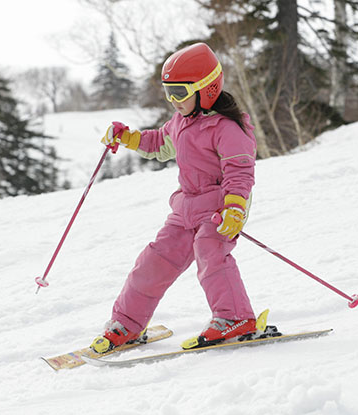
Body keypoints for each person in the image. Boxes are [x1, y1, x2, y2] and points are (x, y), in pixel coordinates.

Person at [90, 42, 258, 353]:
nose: (173, 101)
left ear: (206, 89)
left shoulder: (228, 128)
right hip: (185, 209)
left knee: (211, 256)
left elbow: (240, 172)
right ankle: (127, 323)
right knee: (153, 261)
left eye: (179, 93)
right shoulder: (181, 122)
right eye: (168, 92)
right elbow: (159, 144)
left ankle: (235, 317)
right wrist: (127, 137)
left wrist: (235, 210)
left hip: (220, 210)